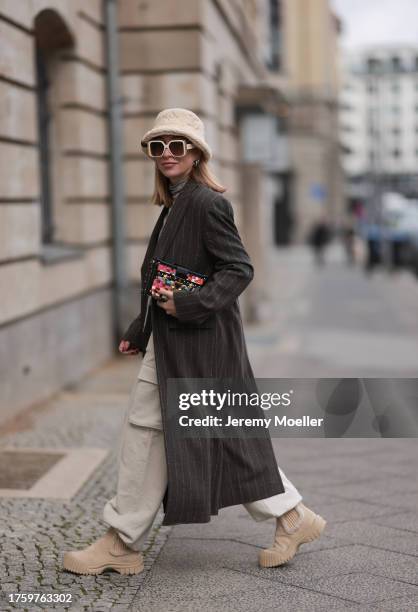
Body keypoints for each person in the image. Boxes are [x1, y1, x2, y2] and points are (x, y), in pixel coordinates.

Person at [62, 108, 326, 576]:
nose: (167, 153)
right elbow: (159, 278)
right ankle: (126, 538)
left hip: (201, 342)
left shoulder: (206, 203)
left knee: (212, 435)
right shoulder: (174, 204)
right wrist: (139, 329)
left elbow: (239, 269)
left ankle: (288, 516)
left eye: (177, 145)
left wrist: (188, 305)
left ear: (196, 153)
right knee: (156, 434)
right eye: (158, 146)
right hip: (173, 342)